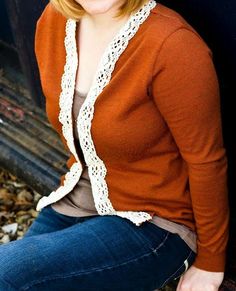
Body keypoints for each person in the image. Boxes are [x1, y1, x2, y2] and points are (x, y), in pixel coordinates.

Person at [0, 0, 230, 290]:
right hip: (77, 199)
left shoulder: (173, 45)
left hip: (155, 223)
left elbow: (207, 161)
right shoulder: (53, 22)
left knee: (6, 273)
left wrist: (211, 263)